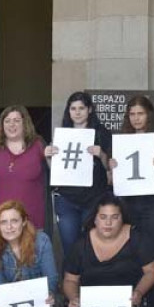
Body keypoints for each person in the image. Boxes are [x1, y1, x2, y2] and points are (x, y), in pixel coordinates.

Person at [63, 194, 154, 307]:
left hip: (129, 301)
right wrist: (74, 298)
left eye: (114, 217)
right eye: (103, 217)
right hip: (94, 303)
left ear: (122, 218)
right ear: (95, 219)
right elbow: (70, 280)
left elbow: (151, 271)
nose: (108, 223)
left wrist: (138, 292)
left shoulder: (137, 238)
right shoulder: (81, 244)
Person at [45, 92, 112, 255]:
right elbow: (55, 170)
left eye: (81, 108)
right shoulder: (62, 134)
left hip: (94, 198)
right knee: (70, 247)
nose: (77, 112)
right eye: (73, 108)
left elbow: (111, 168)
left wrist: (102, 154)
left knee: (92, 246)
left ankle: (89, 280)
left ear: (89, 110)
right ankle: (70, 280)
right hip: (67, 198)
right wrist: (48, 156)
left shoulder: (102, 133)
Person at [109, 95, 154, 247]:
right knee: (128, 248)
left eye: (140, 114)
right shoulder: (121, 140)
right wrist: (113, 170)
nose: (136, 118)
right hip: (127, 203)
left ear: (148, 115)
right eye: (132, 114)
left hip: (153, 204)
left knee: (153, 247)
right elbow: (110, 181)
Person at [0, 106, 47, 229]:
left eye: (16, 120)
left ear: (24, 123)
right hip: (0, 222)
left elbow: (55, 174)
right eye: (7, 121)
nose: (12, 124)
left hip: (31, 221)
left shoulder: (38, 146)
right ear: (2, 125)